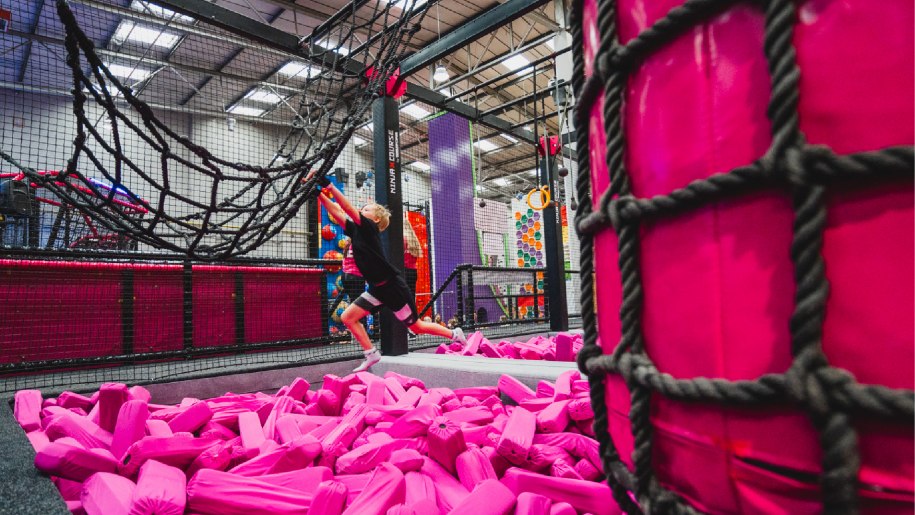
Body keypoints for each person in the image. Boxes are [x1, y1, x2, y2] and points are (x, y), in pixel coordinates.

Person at [310, 172, 466, 372]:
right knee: (348, 317)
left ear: (375, 218)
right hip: (377, 289)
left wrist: (327, 185)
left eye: (366, 209)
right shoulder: (357, 230)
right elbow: (337, 212)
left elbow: (347, 208)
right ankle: (371, 353)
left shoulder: (368, 228)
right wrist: (317, 194)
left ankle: (454, 334)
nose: (361, 209)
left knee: (416, 326)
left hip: (393, 288)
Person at [327, 237, 367, 320]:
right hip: (356, 276)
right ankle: (359, 327)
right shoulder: (360, 242)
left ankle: (354, 325)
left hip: (345, 275)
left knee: (354, 303)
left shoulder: (348, 242)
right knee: (359, 306)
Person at [403, 217, 422, 297]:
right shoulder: (414, 239)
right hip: (413, 272)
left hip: (403, 271)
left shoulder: (402, 238)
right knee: (411, 296)